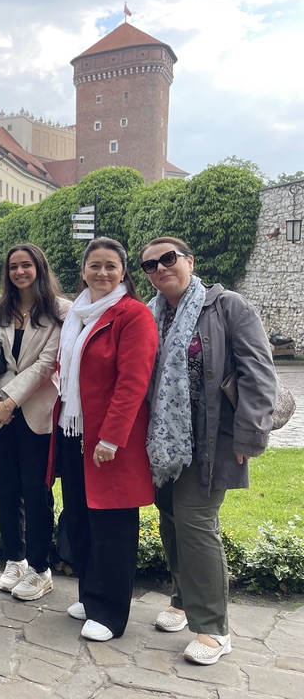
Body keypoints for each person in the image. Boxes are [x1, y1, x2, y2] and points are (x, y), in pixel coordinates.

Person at [140, 237, 276, 664]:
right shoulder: (151, 313)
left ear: (189, 262)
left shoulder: (228, 306)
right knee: (171, 519)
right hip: (163, 441)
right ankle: (182, 601)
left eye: (168, 259)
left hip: (213, 437)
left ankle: (214, 627)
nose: (160, 268)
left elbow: (259, 373)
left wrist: (250, 436)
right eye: (149, 264)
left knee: (197, 523)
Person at [51, 237, 157, 642]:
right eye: (94, 265)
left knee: (112, 525)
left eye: (111, 266)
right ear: (83, 271)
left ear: (123, 272)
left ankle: (111, 613)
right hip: (74, 432)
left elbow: (133, 382)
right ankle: (90, 594)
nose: (102, 273)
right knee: (79, 518)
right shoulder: (78, 314)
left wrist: (112, 437)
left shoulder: (132, 315)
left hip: (110, 441)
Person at [0, 243, 69, 602]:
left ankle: (40, 568)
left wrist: (10, 400)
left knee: (36, 489)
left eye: (26, 265)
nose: (19, 272)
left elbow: (47, 363)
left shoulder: (60, 310)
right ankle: (15, 558)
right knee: (6, 488)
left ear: (38, 268)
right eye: (13, 266)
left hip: (35, 411)